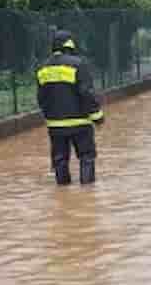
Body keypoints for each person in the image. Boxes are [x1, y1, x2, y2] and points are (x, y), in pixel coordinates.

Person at [37, 30, 104, 185]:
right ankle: (87, 194)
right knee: (86, 157)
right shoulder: (79, 64)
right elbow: (86, 94)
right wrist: (98, 117)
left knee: (60, 159)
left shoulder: (42, 68)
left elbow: (41, 98)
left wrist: (50, 117)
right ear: (71, 45)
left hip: (55, 126)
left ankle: (62, 190)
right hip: (80, 124)